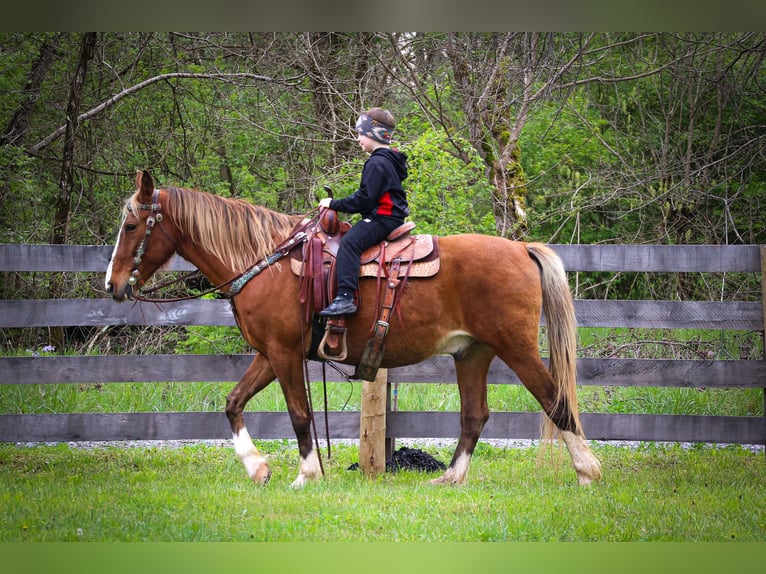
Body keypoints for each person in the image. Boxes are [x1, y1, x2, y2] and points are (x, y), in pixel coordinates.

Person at [318, 107, 409, 316]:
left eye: (360, 133)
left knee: (349, 243)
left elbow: (364, 199)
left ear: (372, 134)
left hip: (383, 218)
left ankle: (345, 297)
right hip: (391, 217)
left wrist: (333, 204)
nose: (358, 139)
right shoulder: (389, 160)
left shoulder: (377, 162)